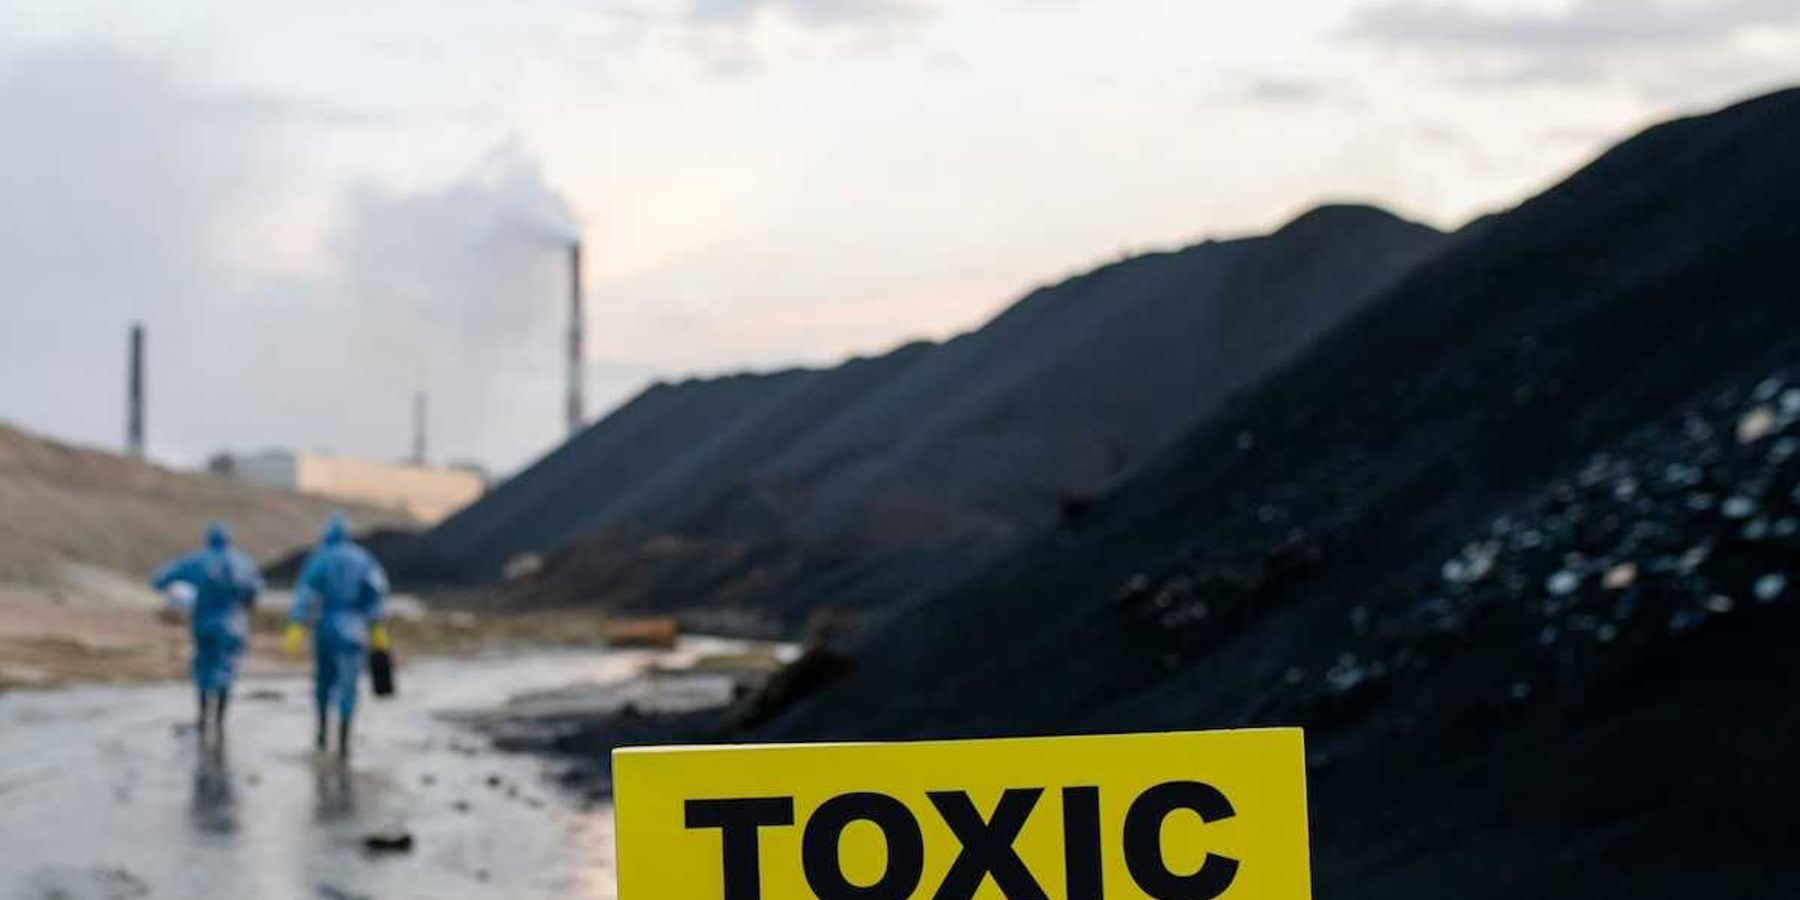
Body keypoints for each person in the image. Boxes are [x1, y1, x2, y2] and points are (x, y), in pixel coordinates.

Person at [285, 513, 390, 758]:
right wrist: (377, 631)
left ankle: (322, 734)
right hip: (355, 629)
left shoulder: (319, 558)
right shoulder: (364, 560)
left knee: (323, 680)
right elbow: (375, 595)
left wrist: (296, 628)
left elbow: (306, 596)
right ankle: (344, 740)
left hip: (326, 628)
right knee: (349, 685)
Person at [153, 523, 263, 741]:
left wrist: (179, 597)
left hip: (205, 623)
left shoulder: (196, 561)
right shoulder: (243, 562)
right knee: (227, 669)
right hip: (234, 625)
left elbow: (160, 579)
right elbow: (255, 592)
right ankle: (220, 722)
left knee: (204, 667)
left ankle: (204, 718)